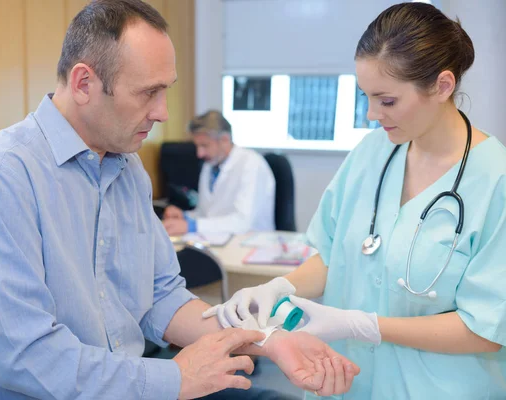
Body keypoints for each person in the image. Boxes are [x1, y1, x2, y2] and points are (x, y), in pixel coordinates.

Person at [0, 1, 360, 398]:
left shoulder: (127, 169)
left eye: (166, 91)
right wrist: (174, 378)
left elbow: (160, 297)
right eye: (147, 93)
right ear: (84, 83)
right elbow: (22, 356)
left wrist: (271, 340)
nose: (163, 113)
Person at [204, 3, 506, 399]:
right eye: (365, 96)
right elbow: (332, 256)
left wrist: (365, 325)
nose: (370, 114)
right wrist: (279, 287)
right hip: (348, 383)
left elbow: (486, 329)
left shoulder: (495, 182)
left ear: (442, 86)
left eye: (387, 101)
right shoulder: (371, 154)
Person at [163, 110, 276, 236]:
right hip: (217, 241)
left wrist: (191, 225)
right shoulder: (210, 165)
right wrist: (184, 217)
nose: (199, 154)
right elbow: (207, 214)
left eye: (205, 146)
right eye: (197, 146)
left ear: (225, 140)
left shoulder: (251, 164)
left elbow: (242, 222)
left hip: (249, 244)